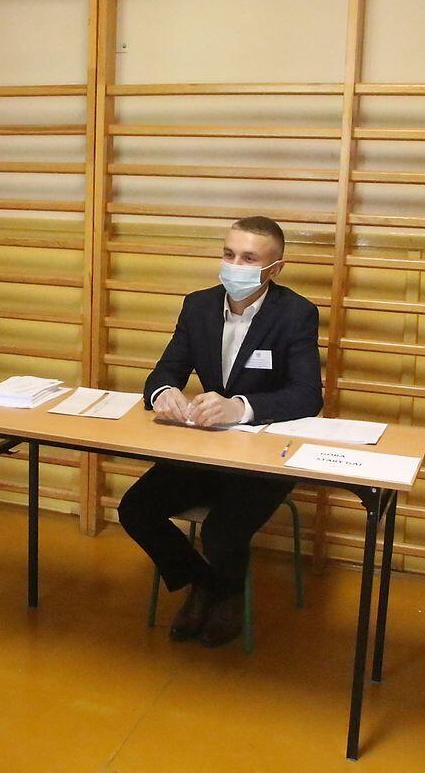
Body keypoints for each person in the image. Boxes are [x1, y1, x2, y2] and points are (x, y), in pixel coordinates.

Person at [118, 216, 322, 648]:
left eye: (249, 258)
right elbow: (162, 374)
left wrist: (242, 407)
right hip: (208, 449)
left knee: (221, 531)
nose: (235, 265)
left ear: (275, 268)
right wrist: (165, 393)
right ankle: (204, 583)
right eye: (229, 254)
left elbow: (307, 396)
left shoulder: (295, 314)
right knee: (135, 509)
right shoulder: (198, 306)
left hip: (265, 458)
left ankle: (228, 595)